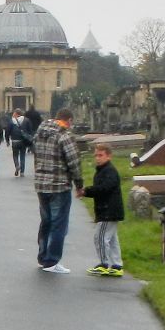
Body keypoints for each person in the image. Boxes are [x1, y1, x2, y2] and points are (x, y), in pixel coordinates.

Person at [33, 107, 83, 273]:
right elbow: (74, 161)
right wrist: (79, 184)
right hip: (59, 185)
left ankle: (43, 257)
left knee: (46, 222)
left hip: (41, 184)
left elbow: (36, 154)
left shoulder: (40, 133)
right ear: (69, 120)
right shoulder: (64, 135)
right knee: (58, 224)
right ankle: (52, 261)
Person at [81, 142, 126, 276]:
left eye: (100, 155)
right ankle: (117, 265)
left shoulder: (109, 171)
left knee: (100, 237)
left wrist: (86, 191)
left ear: (109, 156)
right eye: (96, 155)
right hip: (108, 210)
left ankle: (104, 264)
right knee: (112, 239)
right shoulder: (102, 171)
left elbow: (104, 188)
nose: (97, 158)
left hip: (108, 211)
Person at [7, 107, 34, 176]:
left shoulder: (11, 121)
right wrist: (30, 138)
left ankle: (17, 166)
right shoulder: (26, 120)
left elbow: (7, 131)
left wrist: (7, 140)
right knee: (22, 156)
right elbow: (30, 131)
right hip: (23, 141)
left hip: (14, 141)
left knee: (15, 155)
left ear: (16, 113)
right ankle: (22, 172)